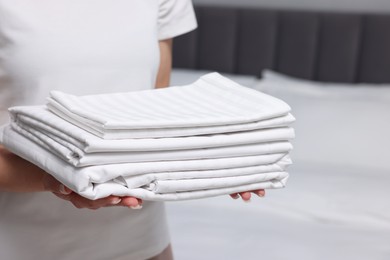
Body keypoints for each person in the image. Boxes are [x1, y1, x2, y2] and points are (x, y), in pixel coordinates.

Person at [0, 1, 265, 259]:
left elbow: (156, 115)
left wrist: (222, 164)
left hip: (141, 242)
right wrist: (57, 177)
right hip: (21, 244)